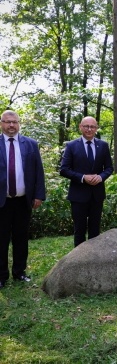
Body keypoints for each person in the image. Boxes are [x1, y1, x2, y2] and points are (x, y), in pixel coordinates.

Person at [0, 110, 45, 289]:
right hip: (1, 201)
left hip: (23, 201)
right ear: (1, 123)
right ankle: (1, 276)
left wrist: (39, 195)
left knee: (21, 238)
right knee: (1, 239)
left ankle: (19, 272)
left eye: (14, 122)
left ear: (19, 123)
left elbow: (38, 172)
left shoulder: (31, 144)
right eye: (7, 122)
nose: (11, 125)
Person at [60, 116, 113, 247]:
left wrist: (100, 177)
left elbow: (109, 168)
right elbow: (64, 169)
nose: (89, 129)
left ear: (96, 128)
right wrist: (83, 177)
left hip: (97, 195)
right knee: (79, 230)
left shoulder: (103, 146)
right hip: (78, 195)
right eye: (86, 126)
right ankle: (78, 261)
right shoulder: (71, 146)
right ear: (80, 127)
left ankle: (94, 259)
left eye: (92, 127)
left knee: (95, 230)